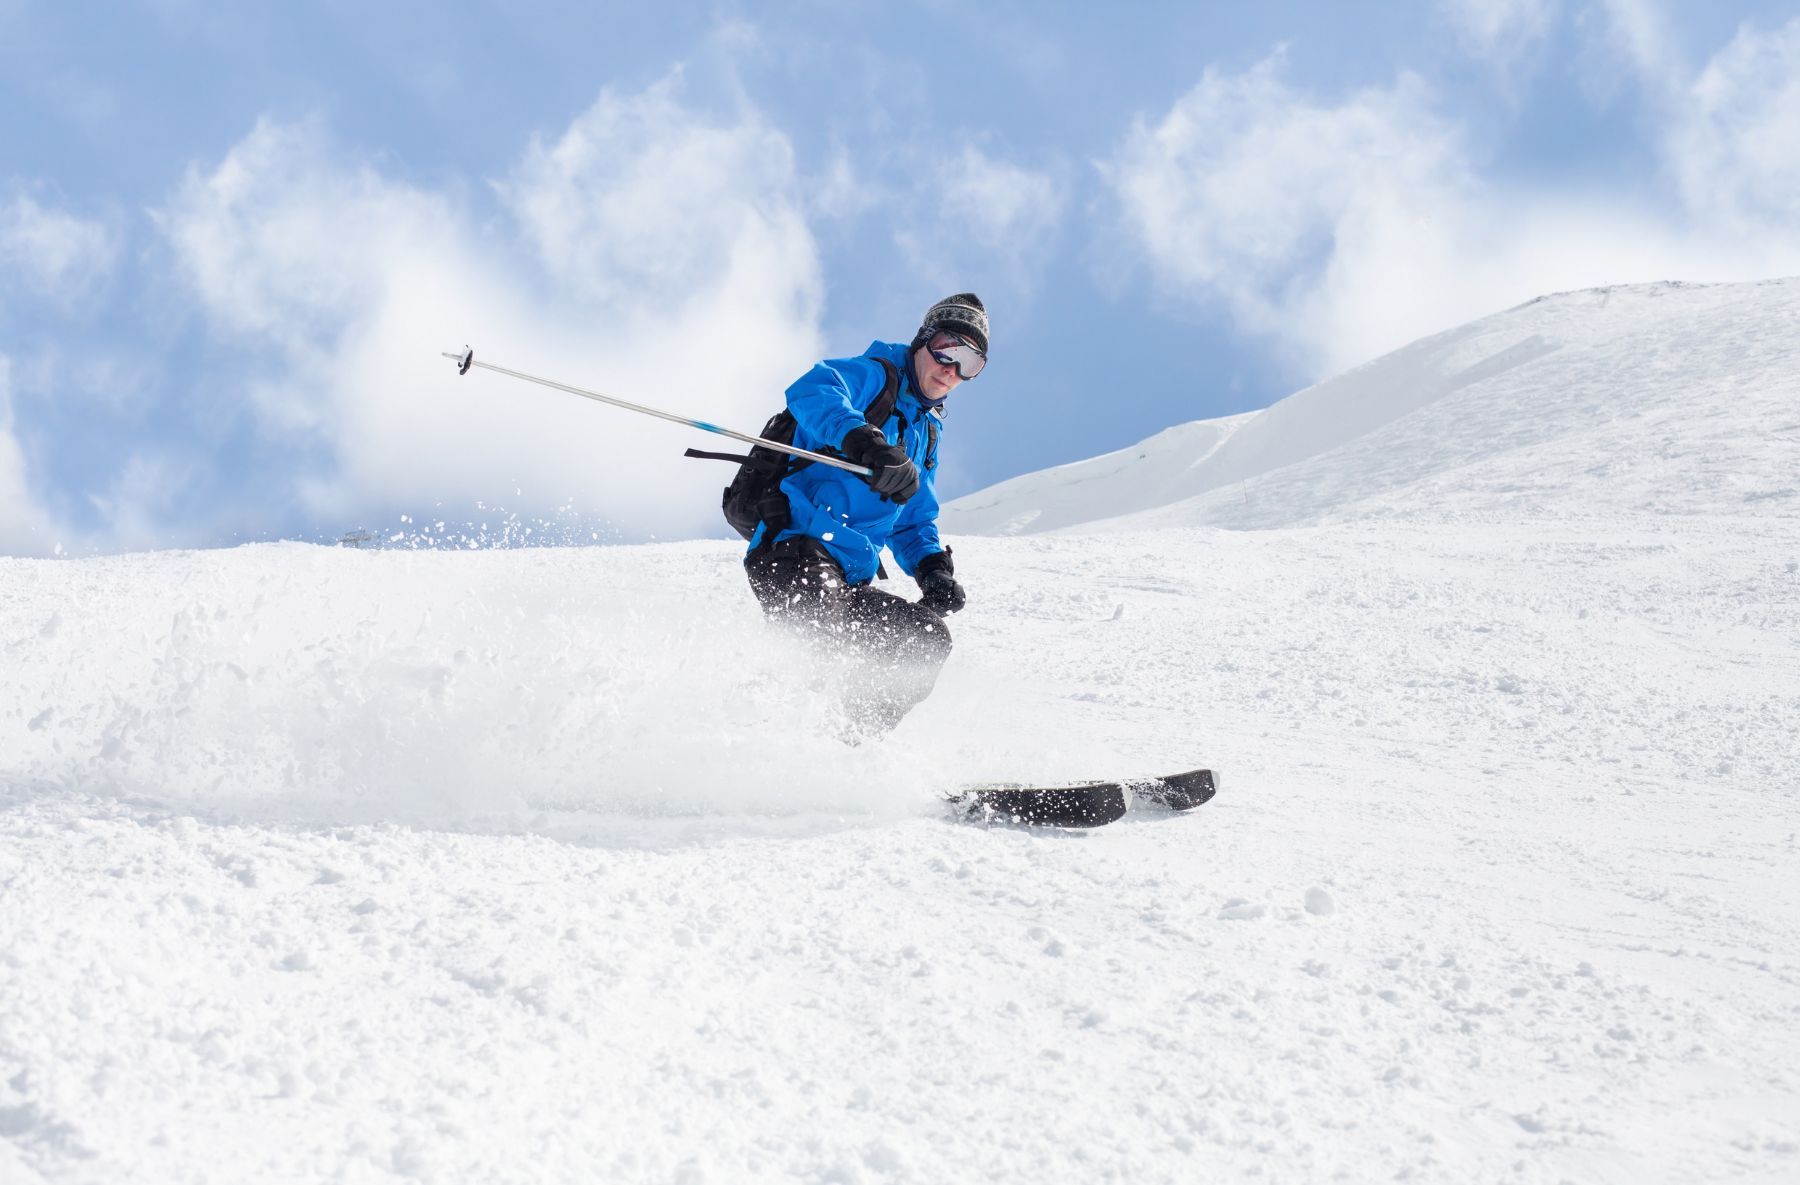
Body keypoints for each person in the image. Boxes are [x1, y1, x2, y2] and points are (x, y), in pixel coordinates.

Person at [744, 293, 989, 737]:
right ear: (922, 342)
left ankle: (849, 746)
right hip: (794, 548)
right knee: (822, 637)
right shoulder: (876, 376)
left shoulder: (926, 431)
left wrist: (932, 568)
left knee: (923, 641)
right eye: (947, 349)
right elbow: (813, 388)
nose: (952, 369)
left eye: (970, 363)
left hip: (848, 578)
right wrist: (862, 439)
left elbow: (914, 514)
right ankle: (768, 737)